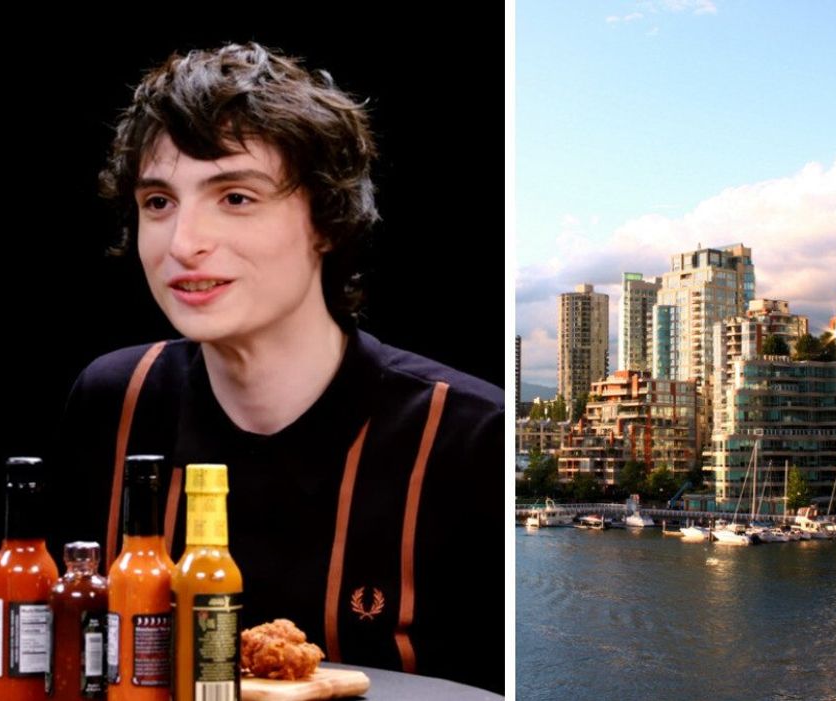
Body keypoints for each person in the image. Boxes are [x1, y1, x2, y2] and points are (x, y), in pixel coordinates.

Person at [49, 42, 503, 693]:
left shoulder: (466, 435)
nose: (182, 242)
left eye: (235, 197)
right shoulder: (112, 400)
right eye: (157, 202)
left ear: (326, 219)